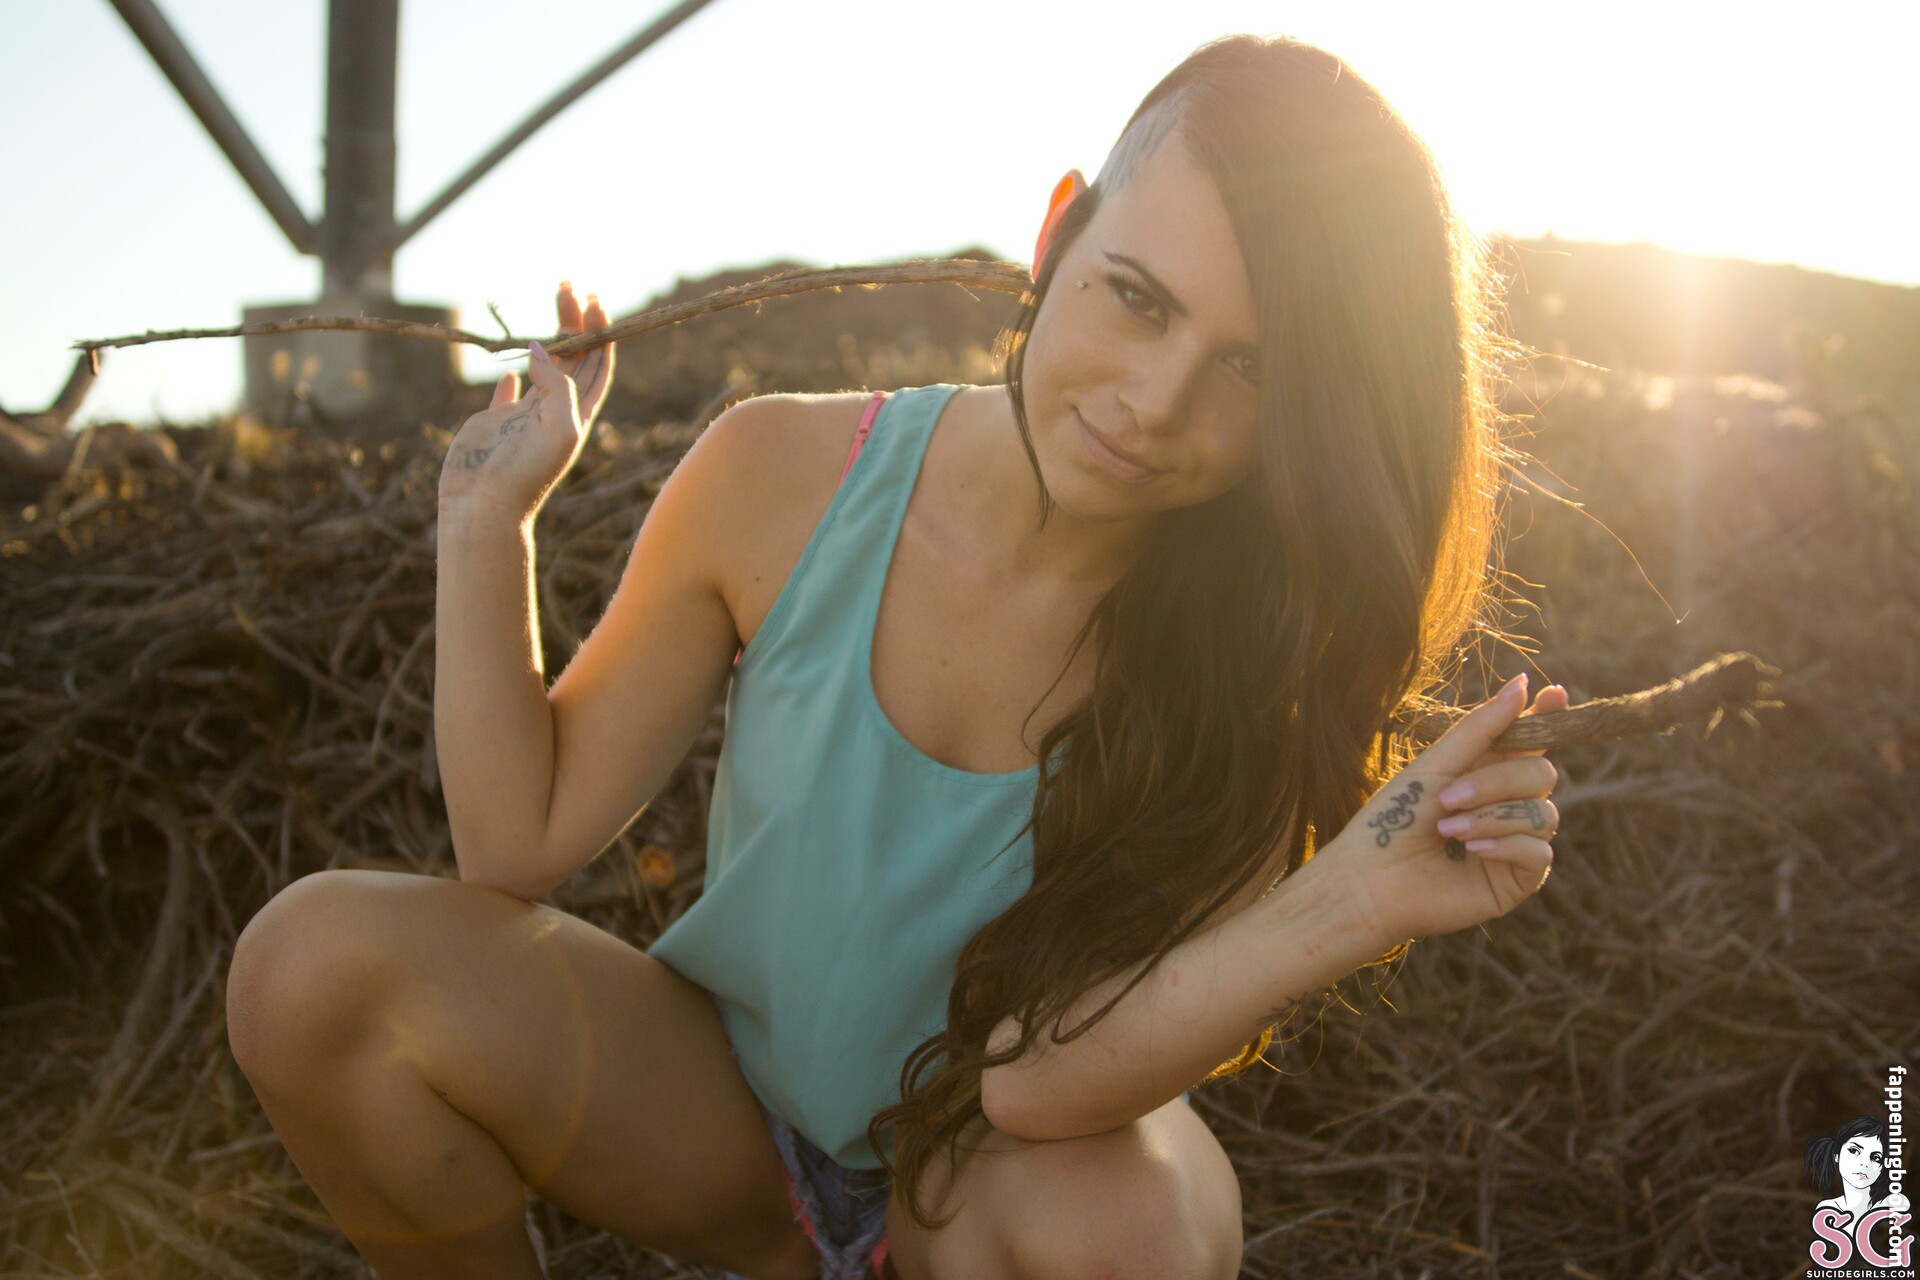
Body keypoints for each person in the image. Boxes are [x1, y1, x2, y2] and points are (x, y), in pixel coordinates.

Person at [224, 32, 1566, 1280]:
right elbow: (515, 842)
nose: (1154, 404)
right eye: (1136, 299)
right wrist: (484, 525)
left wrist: (1344, 902)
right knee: (312, 968)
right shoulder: (779, 473)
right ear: (1055, 235)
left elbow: (1034, 1085)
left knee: (1129, 1222)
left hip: (987, 1178)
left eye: (1252, 370)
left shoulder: (1263, 648)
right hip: (721, 1118)